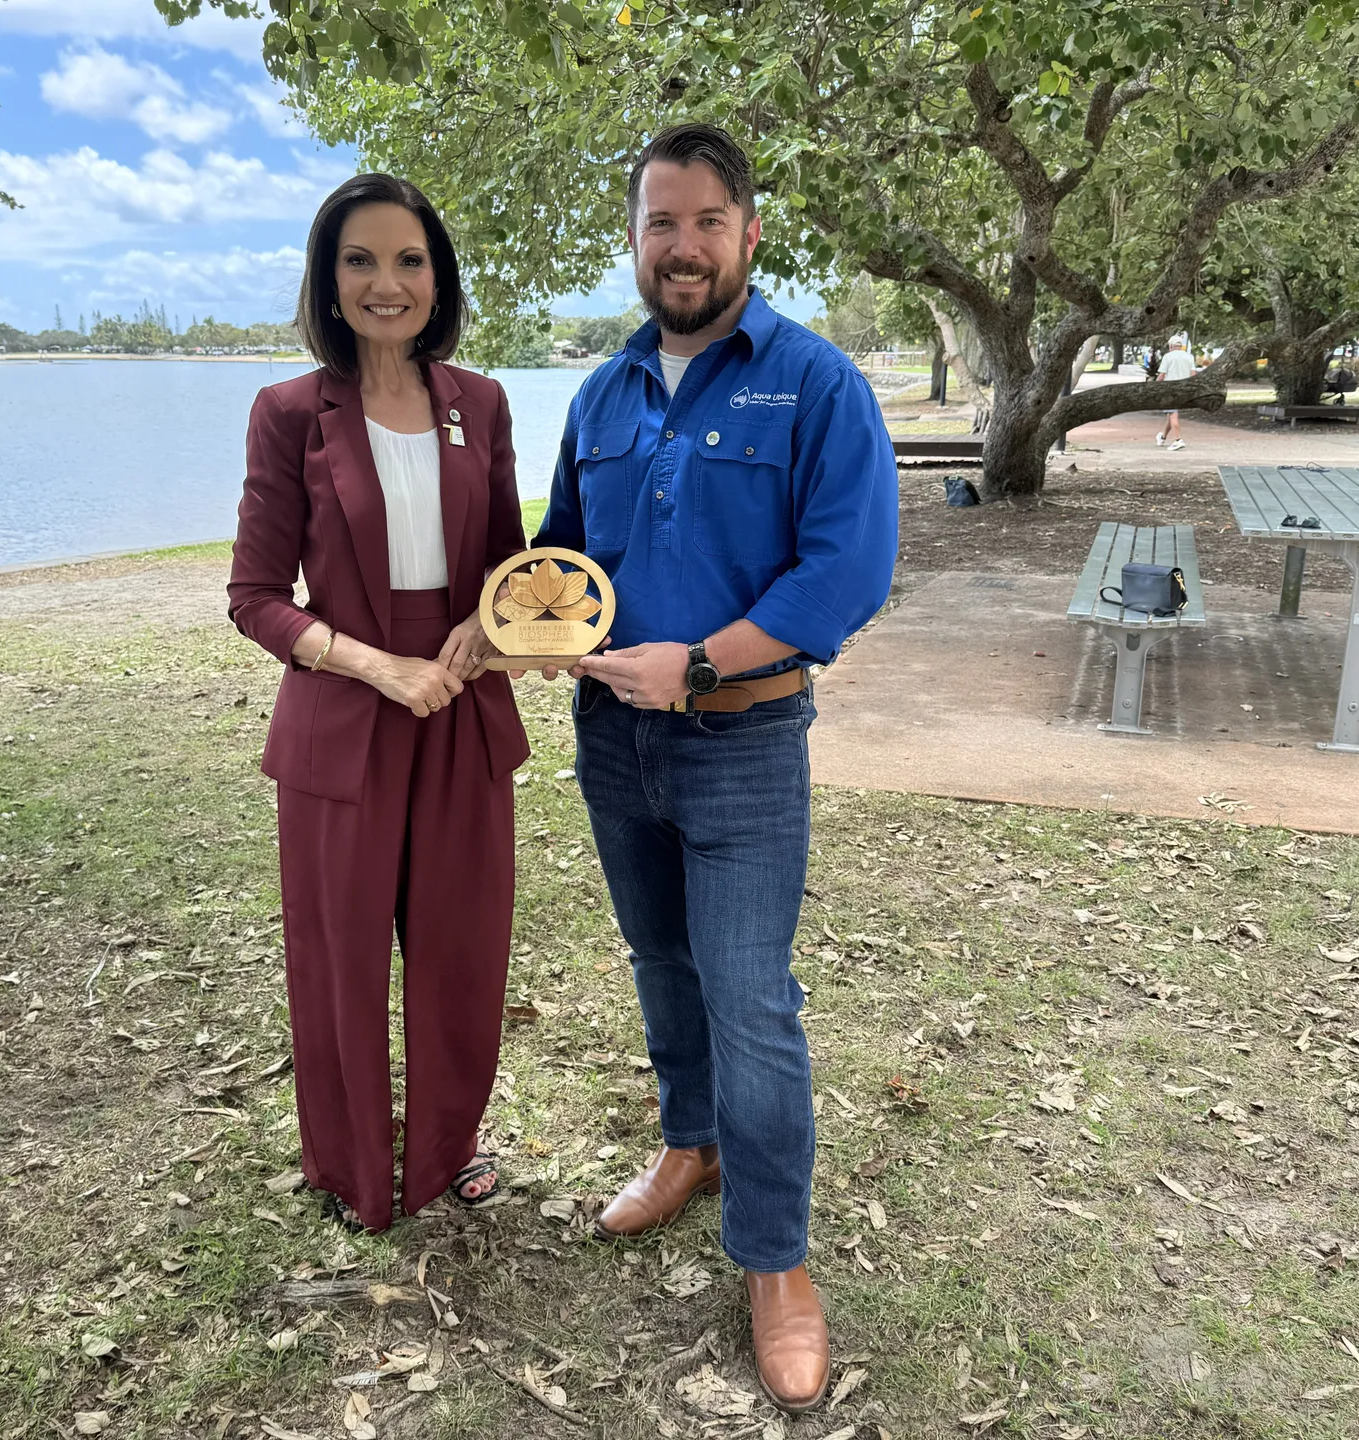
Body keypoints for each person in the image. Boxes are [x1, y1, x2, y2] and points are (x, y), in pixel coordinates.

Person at [534, 124, 899, 1413]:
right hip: (611, 743)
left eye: (704, 222)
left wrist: (694, 665)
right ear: (634, 239)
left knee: (751, 998)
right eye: (657, 223)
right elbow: (562, 557)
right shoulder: (602, 394)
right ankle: (688, 1144)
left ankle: (777, 1262)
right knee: (660, 963)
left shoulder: (816, 385)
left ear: (750, 231)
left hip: (742, 741)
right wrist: (532, 629)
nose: (680, 246)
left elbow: (844, 575)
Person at [227, 174, 529, 1233]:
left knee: (461, 954)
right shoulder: (287, 414)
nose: (386, 282)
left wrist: (491, 629)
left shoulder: (480, 403)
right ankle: (355, 1169)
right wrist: (374, 664)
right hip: (344, 723)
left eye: (408, 260)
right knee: (339, 958)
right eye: (360, 260)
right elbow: (254, 598)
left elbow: (509, 565)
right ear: (328, 278)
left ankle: (445, 1155)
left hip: (461, 713)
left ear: (437, 277)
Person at [1155, 337, 1198, 449]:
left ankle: (1178, 439)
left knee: (1173, 415)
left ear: (1170, 346)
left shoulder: (1167, 357)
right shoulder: (1189, 357)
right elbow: (1193, 374)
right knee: (1171, 414)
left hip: (1170, 388)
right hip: (1184, 388)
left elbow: (1162, 375)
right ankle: (1163, 437)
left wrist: (1154, 386)